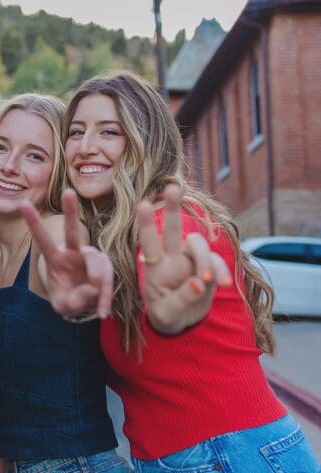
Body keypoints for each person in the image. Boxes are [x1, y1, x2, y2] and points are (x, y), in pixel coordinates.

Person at [64, 70, 320, 471]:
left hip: (227, 454)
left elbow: (174, 275)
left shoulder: (168, 221)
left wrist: (172, 309)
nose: (85, 146)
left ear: (144, 142)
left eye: (108, 132)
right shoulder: (110, 238)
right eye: (76, 132)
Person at [0, 94, 127, 473]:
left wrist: (77, 275)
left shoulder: (53, 234)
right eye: (0, 147)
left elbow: (66, 258)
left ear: (57, 172)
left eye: (35, 155)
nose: (9, 166)